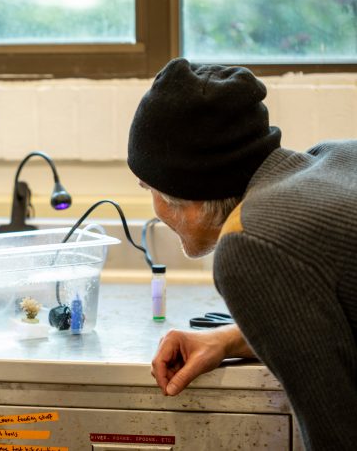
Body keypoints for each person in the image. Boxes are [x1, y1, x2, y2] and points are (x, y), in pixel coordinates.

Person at [127, 58, 357, 450]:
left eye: (146, 186)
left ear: (188, 194)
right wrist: (230, 340)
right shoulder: (334, 159)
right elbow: (337, 323)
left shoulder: (251, 244)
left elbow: (338, 436)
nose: (154, 207)